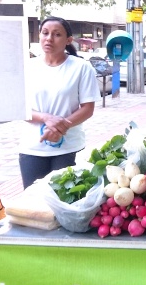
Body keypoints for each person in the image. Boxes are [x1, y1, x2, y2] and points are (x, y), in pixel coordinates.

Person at [19, 17, 101, 188]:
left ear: (68, 40)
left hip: (69, 148)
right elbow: (20, 107)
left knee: (66, 202)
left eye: (57, 34)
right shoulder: (27, 67)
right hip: (33, 148)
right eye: (45, 33)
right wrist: (46, 118)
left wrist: (61, 126)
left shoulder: (81, 67)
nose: (49, 38)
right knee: (33, 205)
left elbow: (87, 109)